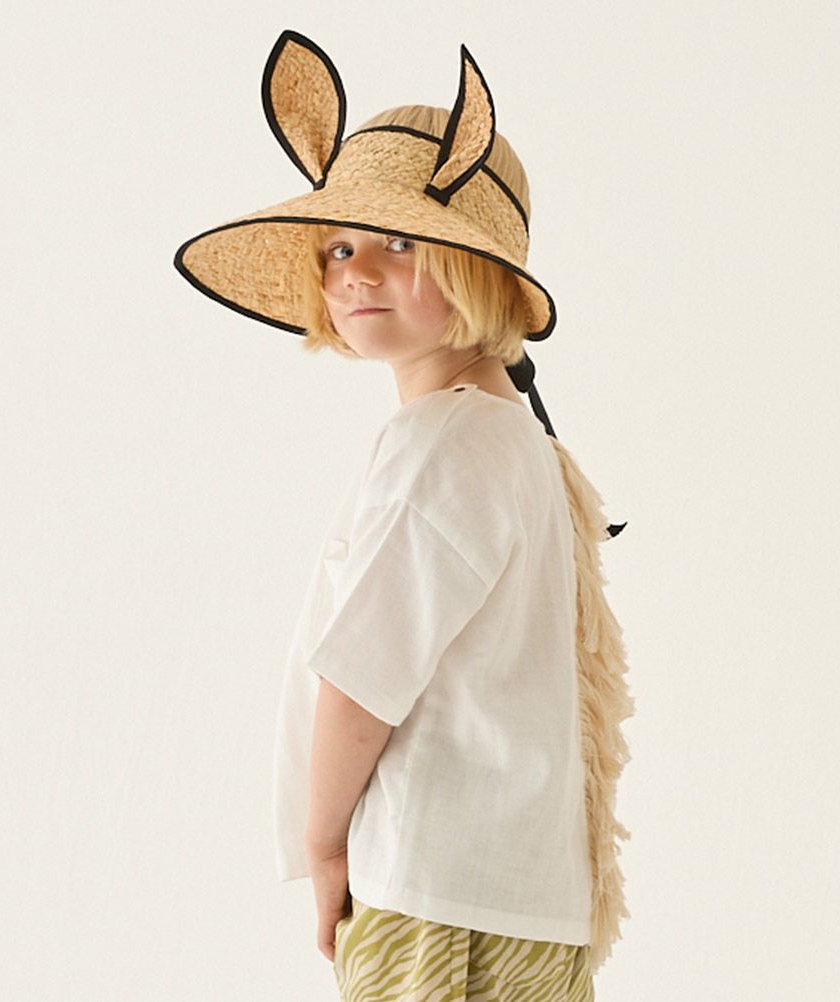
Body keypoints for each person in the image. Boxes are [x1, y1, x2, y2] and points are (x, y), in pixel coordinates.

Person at [174, 29, 634, 1002]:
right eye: (338, 246)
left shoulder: (442, 447)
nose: (355, 271)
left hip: (428, 889)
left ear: (480, 269)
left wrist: (324, 845)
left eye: (399, 242)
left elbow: (363, 676)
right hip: (527, 898)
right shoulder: (515, 443)